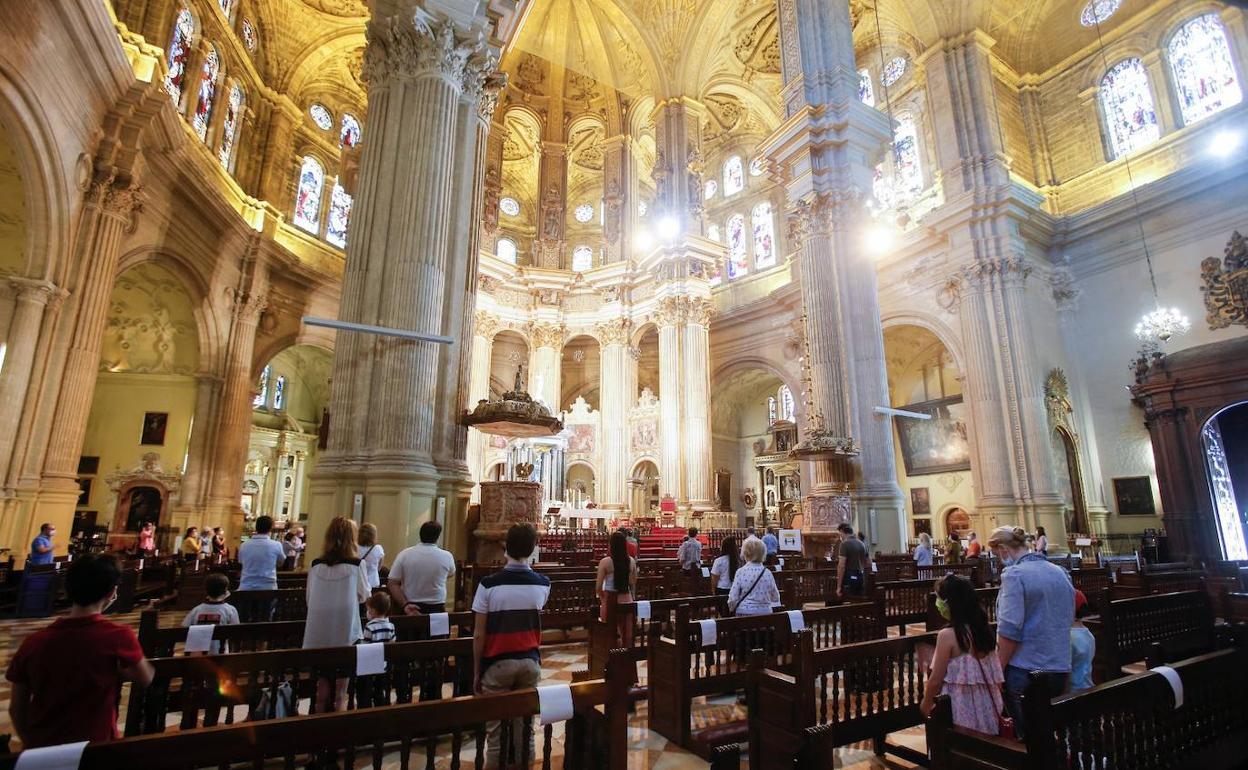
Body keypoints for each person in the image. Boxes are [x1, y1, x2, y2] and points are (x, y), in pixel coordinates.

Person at [6, 554, 154, 747]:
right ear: (112, 592)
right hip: (95, 746)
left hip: (42, 748)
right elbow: (146, 678)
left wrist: (31, 745)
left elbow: (16, 709)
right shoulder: (118, 637)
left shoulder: (33, 642)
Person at [472, 523, 550, 768]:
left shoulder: (488, 584)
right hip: (530, 661)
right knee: (525, 732)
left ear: (505, 546)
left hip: (497, 662)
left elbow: (479, 634)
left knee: (495, 735)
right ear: (533, 548)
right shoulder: (543, 584)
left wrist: (477, 671)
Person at [989, 525, 1074, 739]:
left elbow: (1009, 631)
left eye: (996, 554)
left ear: (1003, 549)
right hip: (1060, 666)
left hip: (1026, 671)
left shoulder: (1014, 575)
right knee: (1051, 735)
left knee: (1030, 739)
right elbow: (1066, 619)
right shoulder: (1059, 573)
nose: (998, 559)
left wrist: (997, 671)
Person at [919, 575, 1005, 735]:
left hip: (959, 708)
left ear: (951, 603)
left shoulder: (947, 635)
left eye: (939, 599)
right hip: (988, 707)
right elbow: (997, 678)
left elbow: (936, 679)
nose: (937, 604)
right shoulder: (984, 630)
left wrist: (926, 703)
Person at [304, 517, 371, 710]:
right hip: (345, 631)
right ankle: (337, 732)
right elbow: (364, 596)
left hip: (318, 634)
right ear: (352, 538)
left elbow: (309, 598)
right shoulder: (357, 565)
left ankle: (317, 728)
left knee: (321, 689)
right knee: (341, 692)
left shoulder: (315, 564)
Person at [389, 520, 457, 614]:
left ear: (420, 534)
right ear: (437, 537)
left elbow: (392, 583)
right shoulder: (447, 556)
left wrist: (404, 604)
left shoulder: (404, 554)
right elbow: (451, 573)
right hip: (436, 607)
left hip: (410, 606)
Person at [181, 572, 239, 654]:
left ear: (206, 590)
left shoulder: (197, 610)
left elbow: (184, 628)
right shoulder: (230, 610)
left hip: (198, 656)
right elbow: (235, 631)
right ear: (225, 590)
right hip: (220, 655)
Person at [596, 531, 637, 646]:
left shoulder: (605, 562)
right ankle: (625, 656)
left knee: (610, 631)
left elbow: (598, 586)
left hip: (611, 598)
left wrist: (603, 598)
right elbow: (632, 581)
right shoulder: (631, 561)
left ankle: (611, 656)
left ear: (611, 545)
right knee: (626, 632)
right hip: (627, 598)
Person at [728, 537, 780, 615]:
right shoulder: (767, 572)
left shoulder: (741, 572)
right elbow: (776, 597)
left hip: (744, 613)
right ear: (763, 553)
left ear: (745, 553)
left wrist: (732, 608)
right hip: (765, 615)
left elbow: (733, 598)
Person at [238, 515, 286, 590]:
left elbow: (241, 562)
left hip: (247, 586)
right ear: (271, 528)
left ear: (256, 527)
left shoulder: (244, 545)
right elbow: (280, 563)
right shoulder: (276, 545)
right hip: (268, 587)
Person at [1068, 590, 1095, 693]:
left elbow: (1064, 670)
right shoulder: (1089, 635)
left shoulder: (1070, 637)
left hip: (1073, 692)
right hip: (1088, 686)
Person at [836, 522, 868, 599]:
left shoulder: (844, 544)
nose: (841, 537)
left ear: (843, 532)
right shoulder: (862, 544)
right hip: (861, 576)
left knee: (842, 600)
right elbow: (867, 562)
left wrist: (838, 586)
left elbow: (842, 566)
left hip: (849, 577)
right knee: (858, 600)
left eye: (840, 534)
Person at [358, 522, 385, 590]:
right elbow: (379, 567)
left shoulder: (355, 548)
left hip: (358, 584)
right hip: (373, 583)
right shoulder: (378, 549)